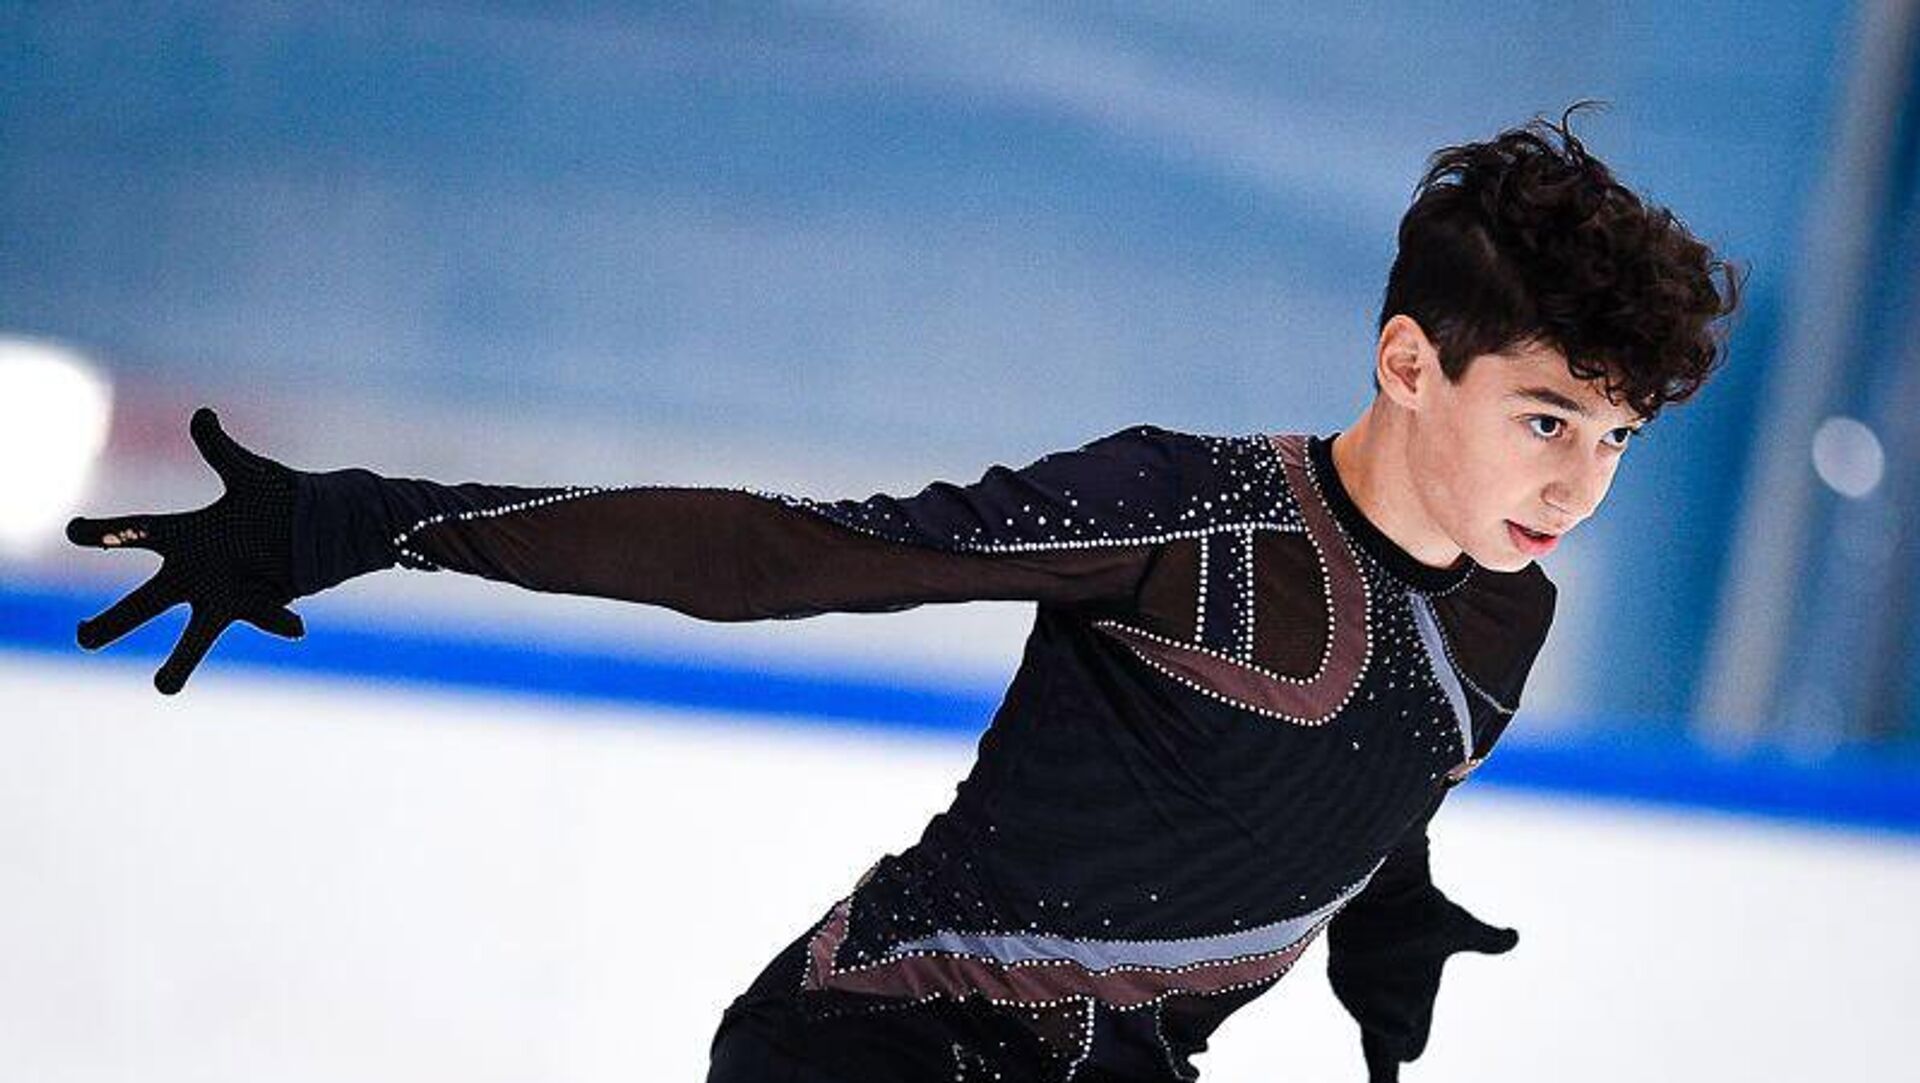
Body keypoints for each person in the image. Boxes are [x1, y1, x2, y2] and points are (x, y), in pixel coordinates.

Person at [64, 101, 1741, 1082]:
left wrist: (1383, 907)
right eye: (1546, 420)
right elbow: (794, 553)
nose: (1579, 486)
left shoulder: (1507, 615)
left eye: (1617, 439)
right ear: (1410, 363)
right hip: (881, 1041)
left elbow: (1380, 750)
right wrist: (363, 518)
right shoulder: (1195, 515)